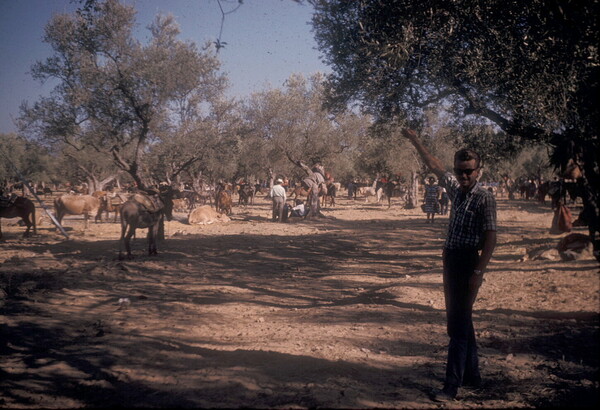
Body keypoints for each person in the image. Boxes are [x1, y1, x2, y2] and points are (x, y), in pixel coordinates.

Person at [402, 129, 497, 402]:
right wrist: (415, 140)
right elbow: (434, 165)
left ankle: (451, 386)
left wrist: (479, 272)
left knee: (456, 326)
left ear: (479, 171)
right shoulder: (457, 192)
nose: (464, 176)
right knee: (461, 321)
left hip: (469, 262)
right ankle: (473, 376)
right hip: (452, 260)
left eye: (469, 172)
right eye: (460, 171)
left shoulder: (484, 198)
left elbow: (491, 237)